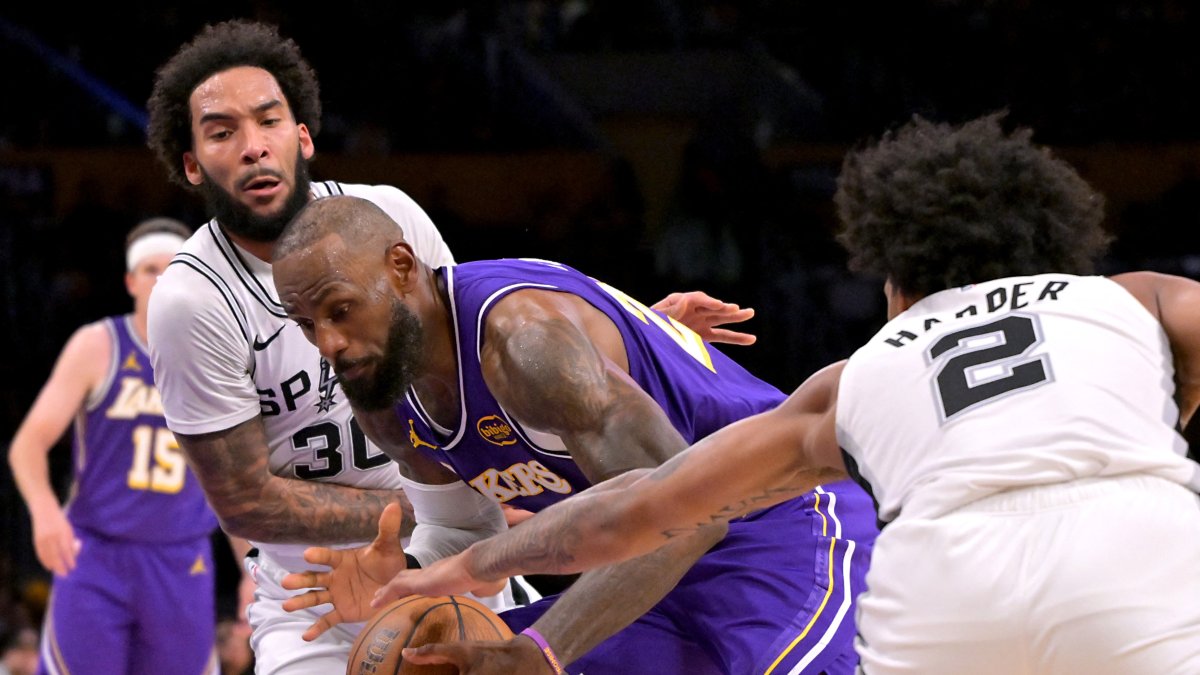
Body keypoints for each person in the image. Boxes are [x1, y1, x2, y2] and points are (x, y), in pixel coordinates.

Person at [375, 114, 1200, 675]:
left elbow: (648, 509)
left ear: (895, 281)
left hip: (951, 586)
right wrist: (1167, 405)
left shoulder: (861, 373)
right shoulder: (1129, 299)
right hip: (1132, 557)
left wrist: (475, 564)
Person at [143, 18, 758, 674]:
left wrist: (627, 335)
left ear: (303, 135)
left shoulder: (386, 215)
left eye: (267, 122)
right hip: (322, 588)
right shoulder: (190, 300)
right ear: (191, 163)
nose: (252, 147)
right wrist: (435, 508)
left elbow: (468, 346)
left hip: (456, 546)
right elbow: (243, 498)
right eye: (222, 132)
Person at [270, 194, 878, 674]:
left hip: (779, 528)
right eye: (306, 324)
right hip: (643, 570)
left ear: (401, 267)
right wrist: (405, 578)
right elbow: (462, 530)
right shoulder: (383, 388)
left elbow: (692, 515)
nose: (328, 344)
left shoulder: (523, 343)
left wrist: (544, 651)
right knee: (435, 665)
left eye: (341, 310)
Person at [7, 218, 224, 674]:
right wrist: (45, 512)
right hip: (95, 554)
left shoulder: (220, 359)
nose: (162, 278)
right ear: (130, 281)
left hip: (181, 558)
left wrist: (252, 568)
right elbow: (28, 444)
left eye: (174, 268)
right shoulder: (97, 345)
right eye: (149, 269)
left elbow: (237, 478)